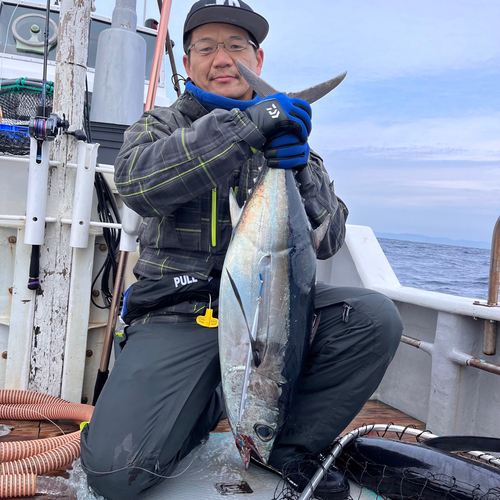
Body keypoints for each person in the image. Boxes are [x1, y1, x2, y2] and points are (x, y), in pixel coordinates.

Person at [80, 2, 403, 499]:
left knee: (374, 316)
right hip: (180, 315)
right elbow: (138, 183)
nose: (223, 58)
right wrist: (246, 127)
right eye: (207, 48)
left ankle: (289, 450)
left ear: (259, 58)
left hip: (272, 310)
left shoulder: (289, 141)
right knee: (112, 475)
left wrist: (300, 167)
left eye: (236, 46)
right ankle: (205, 403)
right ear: (188, 64)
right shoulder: (160, 126)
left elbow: (330, 238)